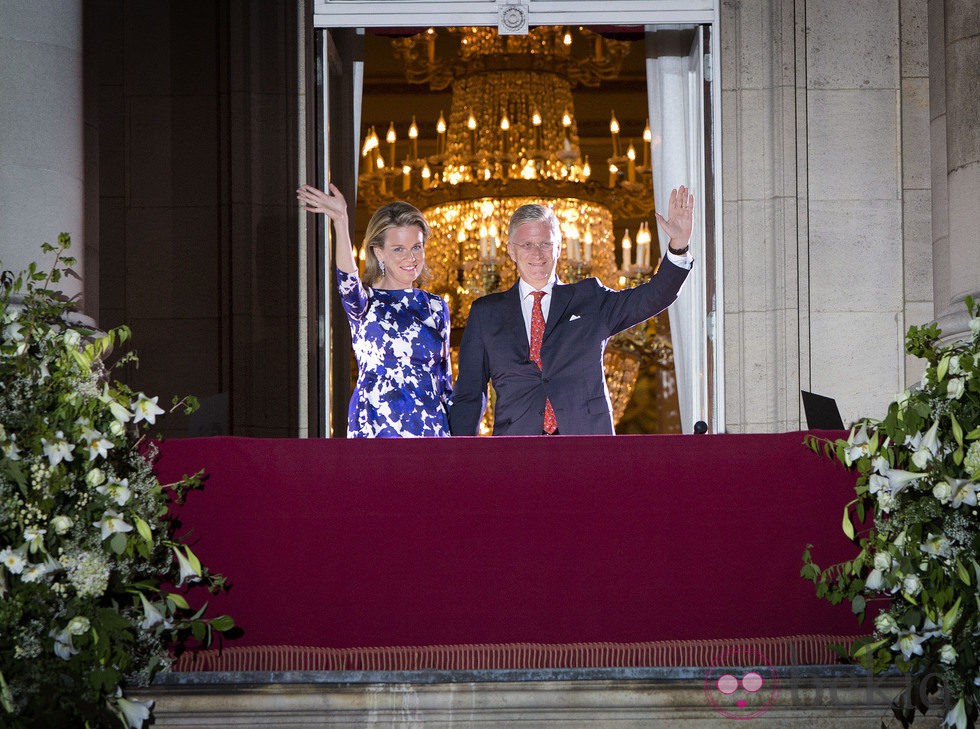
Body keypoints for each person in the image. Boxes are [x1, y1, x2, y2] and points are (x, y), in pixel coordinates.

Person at [449, 185, 695, 436]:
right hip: (516, 450)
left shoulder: (590, 298)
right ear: (511, 250)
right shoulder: (485, 313)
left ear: (558, 248)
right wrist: (457, 458)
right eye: (527, 245)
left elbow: (654, 297)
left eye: (545, 244)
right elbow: (469, 395)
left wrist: (678, 245)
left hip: (586, 446)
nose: (537, 253)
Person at [297, 183, 452, 437]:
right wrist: (340, 220)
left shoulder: (435, 306)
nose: (411, 258)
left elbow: (445, 382)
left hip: (432, 431)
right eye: (398, 249)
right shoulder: (364, 302)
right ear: (378, 252)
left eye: (417, 247)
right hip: (376, 429)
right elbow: (347, 276)